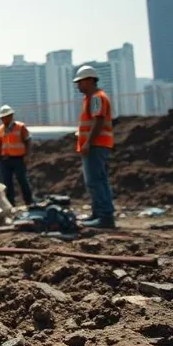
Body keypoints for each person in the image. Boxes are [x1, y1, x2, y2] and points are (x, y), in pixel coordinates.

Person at [73, 65, 116, 229]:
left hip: (96, 146)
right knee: (99, 180)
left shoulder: (96, 98)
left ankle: (104, 217)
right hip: (96, 145)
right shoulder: (91, 98)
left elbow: (98, 121)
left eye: (80, 82)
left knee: (95, 181)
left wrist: (88, 143)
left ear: (90, 80)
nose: (78, 86)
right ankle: (99, 214)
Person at [0, 104, 34, 207]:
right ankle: (10, 205)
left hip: (18, 159)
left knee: (22, 180)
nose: (3, 120)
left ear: (11, 116)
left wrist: (27, 156)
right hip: (5, 160)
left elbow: (28, 141)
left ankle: (29, 202)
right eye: (2, 118)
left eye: (5, 117)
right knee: (7, 183)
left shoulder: (20, 127)